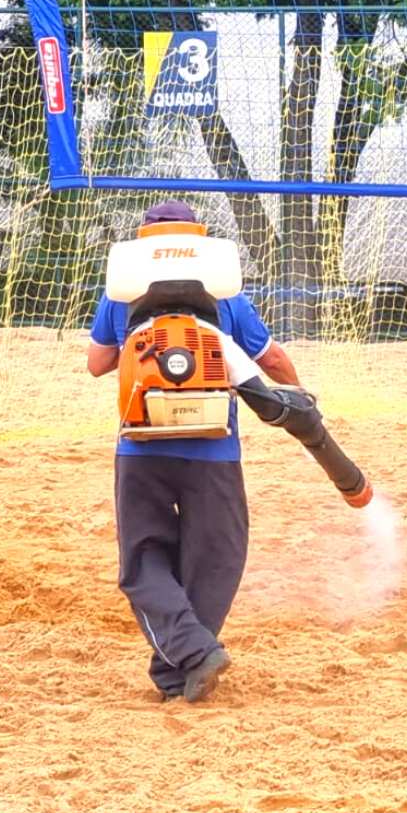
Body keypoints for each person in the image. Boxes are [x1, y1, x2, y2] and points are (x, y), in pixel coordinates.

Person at [86, 199, 303, 702]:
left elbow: (97, 364)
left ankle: (186, 659)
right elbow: (270, 357)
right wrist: (300, 398)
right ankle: (188, 659)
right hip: (214, 449)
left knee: (143, 559)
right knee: (217, 557)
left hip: (142, 445)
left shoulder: (120, 292)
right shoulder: (225, 294)